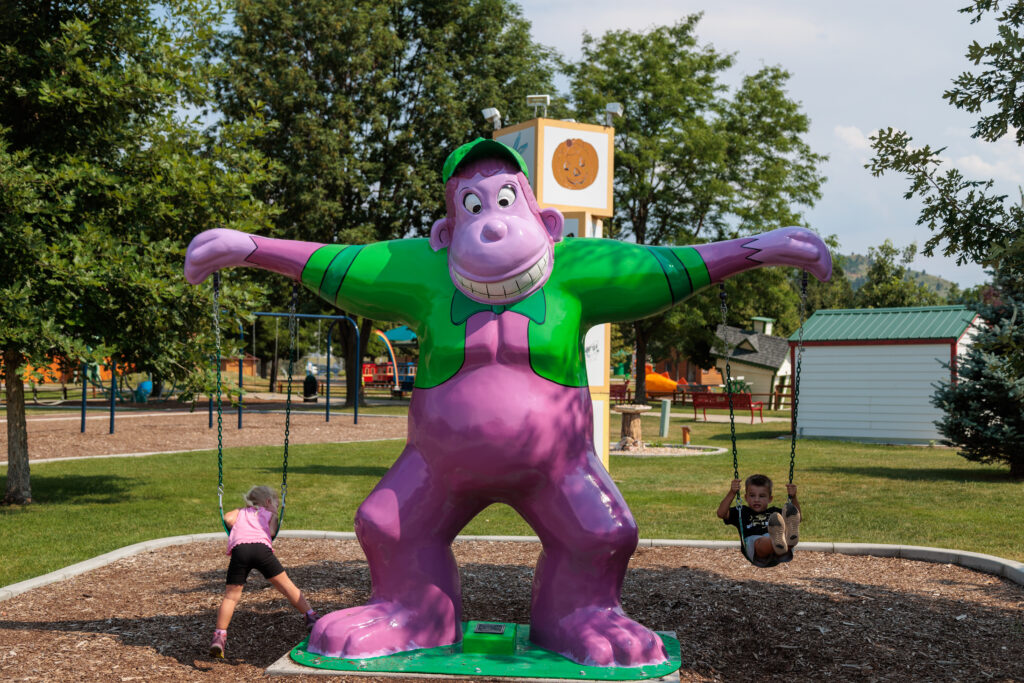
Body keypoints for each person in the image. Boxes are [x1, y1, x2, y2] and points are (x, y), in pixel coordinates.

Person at [209, 485, 319, 659]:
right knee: (286, 586)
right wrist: (273, 516)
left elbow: (227, 518)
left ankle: (219, 636)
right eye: (275, 503)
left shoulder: (242, 512)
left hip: (240, 551)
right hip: (261, 550)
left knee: (231, 596)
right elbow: (273, 531)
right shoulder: (268, 514)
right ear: (268, 502)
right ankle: (310, 616)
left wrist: (240, 513)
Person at [717, 474, 801, 562]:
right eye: (752, 495)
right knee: (762, 541)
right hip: (755, 545)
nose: (756, 499)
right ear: (746, 497)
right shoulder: (741, 512)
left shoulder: (775, 512)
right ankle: (778, 542)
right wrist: (732, 492)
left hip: (779, 548)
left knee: (782, 529)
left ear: (770, 499)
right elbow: (721, 513)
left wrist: (793, 497)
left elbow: (797, 518)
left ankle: (787, 541)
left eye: (761, 496)